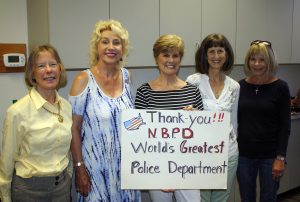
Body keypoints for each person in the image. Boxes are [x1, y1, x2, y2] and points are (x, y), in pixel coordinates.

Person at [69, 19, 140, 201]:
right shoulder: (83, 80)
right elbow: (73, 129)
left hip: (126, 169)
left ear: (123, 49)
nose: (111, 47)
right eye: (105, 41)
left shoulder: (127, 77)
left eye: (116, 42)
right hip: (94, 170)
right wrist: (79, 168)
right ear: (97, 47)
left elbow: (128, 121)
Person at [135, 34, 203, 202]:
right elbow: (138, 134)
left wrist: (196, 119)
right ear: (156, 58)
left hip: (188, 166)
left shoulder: (192, 91)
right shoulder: (144, 92)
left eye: (175, 55)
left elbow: (203, 136)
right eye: (165, 55)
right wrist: (160, 173)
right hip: (156, 167)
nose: (170, 60)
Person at [0, 44, 72, 202]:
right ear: (32, 73)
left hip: (62, 189)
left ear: (60, 69)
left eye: (53, 64)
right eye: (41, 66)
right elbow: (6, 159)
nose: (48, 70)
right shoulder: (17, 111)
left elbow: (67, 152)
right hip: (29, 191)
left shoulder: (66, 107)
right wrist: (5, 196)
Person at [186, 33, 240, 202]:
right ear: (204, 54)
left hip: (228, 154)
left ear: (227, 54)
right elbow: (186, 122)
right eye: (211, 51)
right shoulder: (193, 81)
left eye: (220, 51)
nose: (216, 56)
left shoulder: (234, 86)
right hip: (200, 154)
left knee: (221, 198)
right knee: (200, 198)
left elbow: (234, 122)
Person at [237, 40, 291, 202]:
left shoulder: (281, 87)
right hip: (243, 155)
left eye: (262, 60)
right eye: (253, 59)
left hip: (270, 156)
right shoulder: (239, 86)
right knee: (247, 198)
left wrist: (280, 158)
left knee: (268, 198)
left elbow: (285, 126)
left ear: (270, 61)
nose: (257, 64)